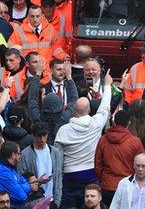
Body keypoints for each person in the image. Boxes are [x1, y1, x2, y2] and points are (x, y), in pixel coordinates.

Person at [54, 69, 113, 209]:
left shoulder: (63, 130)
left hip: (69, 175)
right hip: (90, 174)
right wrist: (108, 86)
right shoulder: (96, 124)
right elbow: (105, 107)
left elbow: (57, 156)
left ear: (74, 110)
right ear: (89, 110)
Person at [0, 141, 36, 208]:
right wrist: (29, 187)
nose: (20, 156)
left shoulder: (9, 168)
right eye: (18, 154)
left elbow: (22, 181)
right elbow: (21, 196)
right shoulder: (2, 172)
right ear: (13, 155)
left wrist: (20, 186)